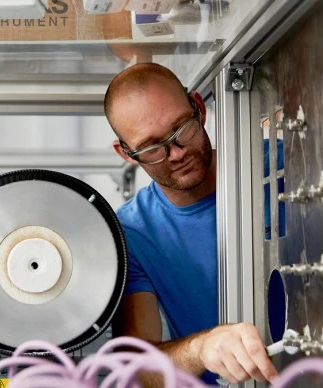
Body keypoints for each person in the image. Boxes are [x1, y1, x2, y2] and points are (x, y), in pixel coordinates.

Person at [104, 63, 278, 385]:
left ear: (199, 107)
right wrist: (202, 348)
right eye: (153, 147)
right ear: (127, 153)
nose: (176, 153)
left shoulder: (281, 166)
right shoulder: (132, 232)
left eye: (181, 128)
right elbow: (140, 370)